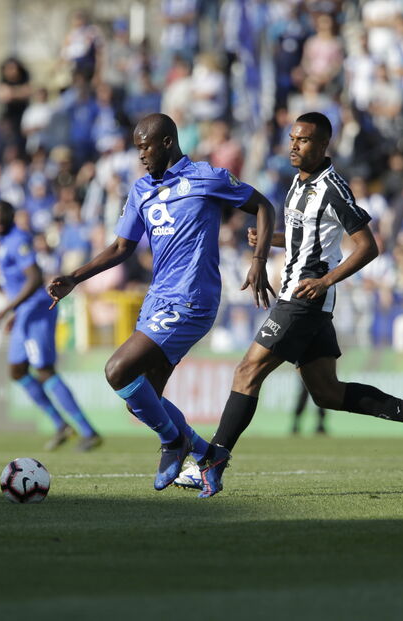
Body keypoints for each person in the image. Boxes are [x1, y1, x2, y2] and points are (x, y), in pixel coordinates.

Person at [186, 112, 403, 498]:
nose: (294, 145)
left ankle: (211, 463)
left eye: (303, 140)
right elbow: (302, 238)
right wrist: (268, 239)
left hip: (302, 299)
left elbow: (368, 246)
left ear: (323, 146)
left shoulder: (334, 188)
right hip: (306, 300)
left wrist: (325, 280)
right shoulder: (297, 183)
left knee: (247, 371)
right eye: (292, 138)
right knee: (326, 393)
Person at [47, 113, 276, 490]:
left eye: (144, 147)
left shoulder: (208, 178)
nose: (140, 156)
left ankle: (175, 441)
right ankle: (207, 454)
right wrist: (76, 277)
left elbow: (263, 206)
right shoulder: (141, 190)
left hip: (191, 301)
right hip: (156, 302)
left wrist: (259, 261)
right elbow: (122, 247)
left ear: (167, 142)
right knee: (141, 399)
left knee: (117, 370)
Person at [0, 200, 102, 451]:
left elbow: (34, 279)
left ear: (10, 216)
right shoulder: (5, 242)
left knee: (44, 370)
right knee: (17, 371)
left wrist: (4, 311)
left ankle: (87, 431)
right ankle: (61, 426)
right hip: (24, 314)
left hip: (37, 311)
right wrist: (16, 314)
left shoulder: (18, 240)